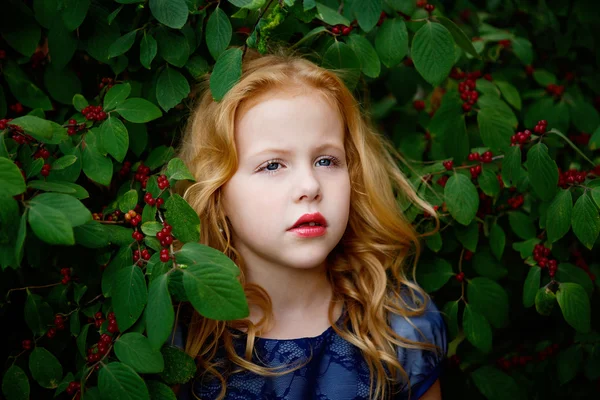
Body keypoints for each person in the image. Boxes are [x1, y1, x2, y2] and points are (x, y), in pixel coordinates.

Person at [172, 45, 447, 400]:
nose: (309, 186)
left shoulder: (401, 327)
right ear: (217, 191)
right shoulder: (180, 339)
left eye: (327, 161)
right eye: (272, 165)